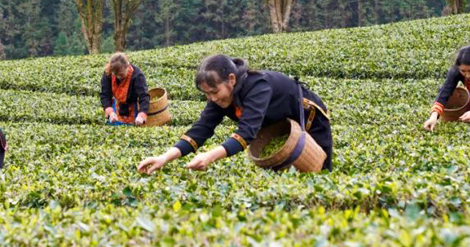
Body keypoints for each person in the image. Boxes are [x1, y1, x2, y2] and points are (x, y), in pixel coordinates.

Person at [138, 55, 332, 174]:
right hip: (279, 127)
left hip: (309, 120)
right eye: (207, 94)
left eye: (214, 92)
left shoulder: (257, 87)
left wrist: (211, 156)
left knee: (318, 170)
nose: (212, 98)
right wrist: (164, 157)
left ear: (231, 79)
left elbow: (246, 133)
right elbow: (201, 129)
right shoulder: (220, 98)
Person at [99, 52, 150, 126]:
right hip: (116, 106)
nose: (118, 77)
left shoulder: (137, 75)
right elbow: (105, 94)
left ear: (127, 66)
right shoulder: (108, 73)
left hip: (133, 107)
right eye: (116, 75)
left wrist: (141, 114)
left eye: (121, 74)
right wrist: (110, 111)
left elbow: (144, 96)